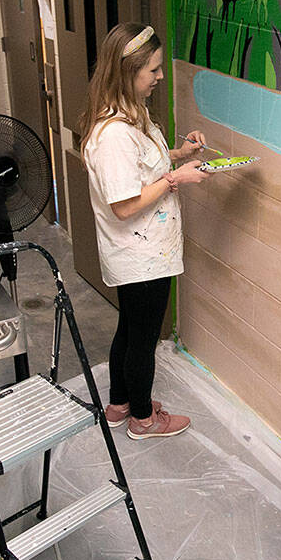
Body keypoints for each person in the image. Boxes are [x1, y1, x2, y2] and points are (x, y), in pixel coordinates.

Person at [79, 22, 212, 440]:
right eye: (152, 70)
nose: (159, 77)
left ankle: (119, 404)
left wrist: (177, 154)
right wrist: (177, 178)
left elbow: (140, 169)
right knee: (143, 338)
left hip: (144, 251)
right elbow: (124, 205)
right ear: (128, 71)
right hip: (140, 253)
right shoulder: (114, 134)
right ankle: (142, 418)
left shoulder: (129, 116)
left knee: (130, 329)